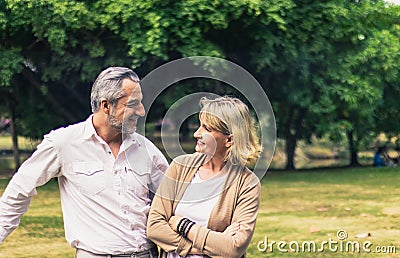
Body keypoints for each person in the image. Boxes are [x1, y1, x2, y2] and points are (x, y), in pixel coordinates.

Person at [0, 67, 168, 257]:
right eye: (133, 104)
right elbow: (18, 191)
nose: (141, 111)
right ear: (106, 106)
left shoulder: (146, 149)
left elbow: (173, 201)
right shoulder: (63, 143)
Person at [147, 96, 262, 258]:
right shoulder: (180, 167)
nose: (196, 134)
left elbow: (233, 248)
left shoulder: (247, 183)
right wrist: (205, 246)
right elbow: (154, 227)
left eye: (207, 129)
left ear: (229, 140)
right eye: (200, 126)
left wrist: (184, 226)